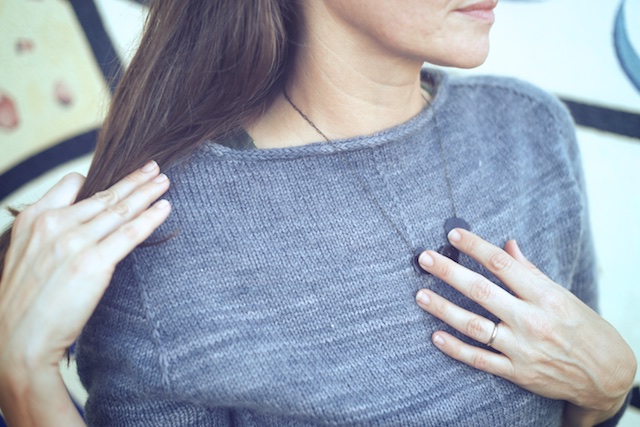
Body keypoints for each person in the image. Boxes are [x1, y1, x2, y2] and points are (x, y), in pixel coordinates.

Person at [0, 0, 636, 425]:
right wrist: (26, 380)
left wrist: (606, 388)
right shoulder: (163, 244)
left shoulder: (529, 130)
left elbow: (570, 398)